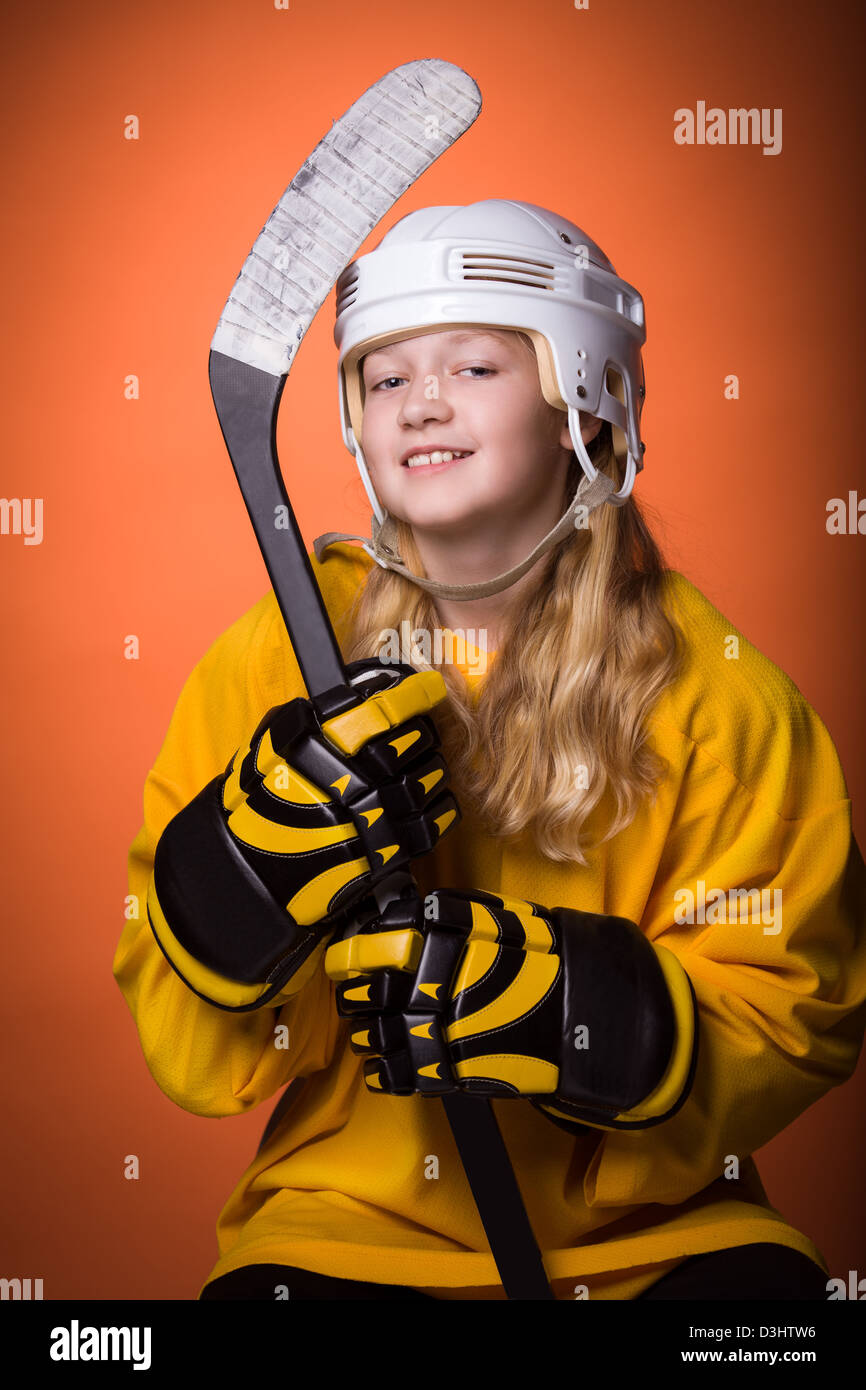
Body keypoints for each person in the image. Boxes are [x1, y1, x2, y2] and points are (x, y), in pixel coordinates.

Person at [113, 199, 866, 1301]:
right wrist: (243, 887)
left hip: (661, 1239)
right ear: (353, 424)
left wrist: (587, 1017)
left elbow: (800, 1009)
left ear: (589, 401)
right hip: (341, 1230)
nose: (420, 402)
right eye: (384, 378)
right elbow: (195, 1055)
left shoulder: (718, 687)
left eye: (472, 368)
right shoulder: (280, 657)